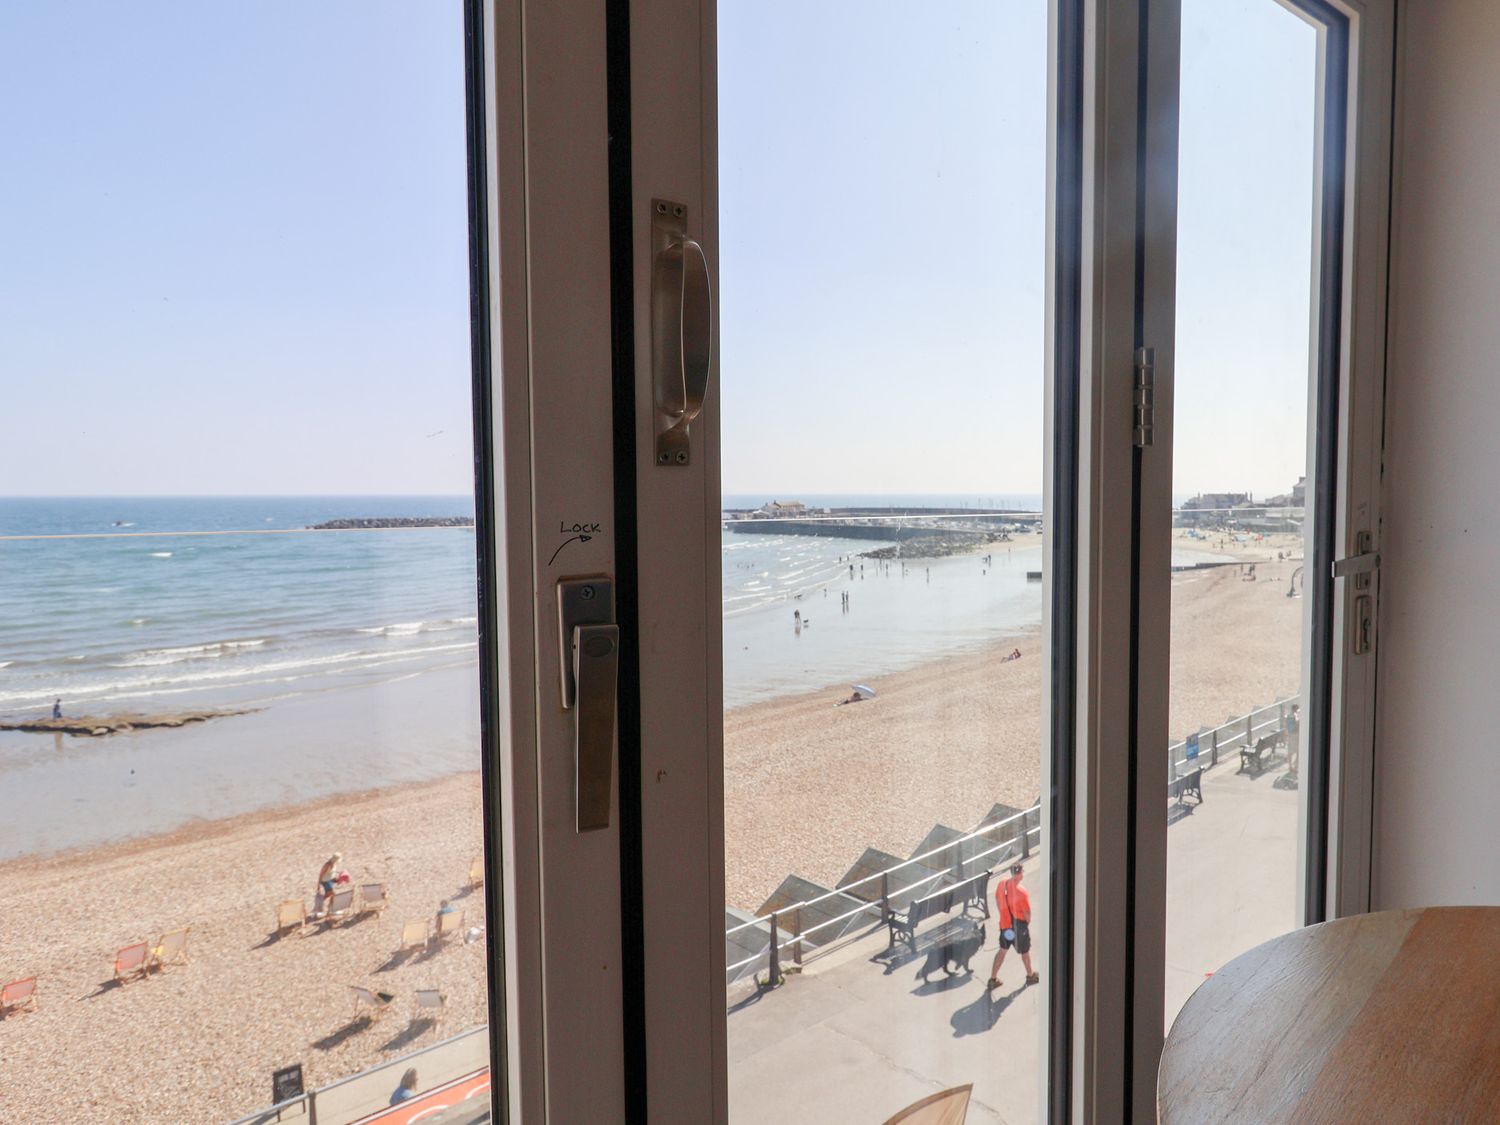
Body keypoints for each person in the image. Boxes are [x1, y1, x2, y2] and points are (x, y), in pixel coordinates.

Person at [987, 863, 1039, 990]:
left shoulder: (1002, 884)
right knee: (1025, 952)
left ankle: (993, 979)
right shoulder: (1021, 891)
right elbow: (1027, 914)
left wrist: (1003, 915)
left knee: (1003, 950)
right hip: (1019, 927)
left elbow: (998, 901)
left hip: (1006, 926)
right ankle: (1030, 975)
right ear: (1020, 873)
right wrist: (1026, 923)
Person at [1285, 703, 1301, 776]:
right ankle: (1295, 766)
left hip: (1290, 735)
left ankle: (1290, 766)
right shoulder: (1295, 715)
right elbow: (1297, 724)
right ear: (1295, 709)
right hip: (1295, 735)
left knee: (1290, 751)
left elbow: (1287, 727)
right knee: (1298, 750)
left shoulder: (1288, 716)